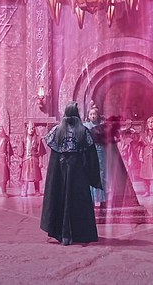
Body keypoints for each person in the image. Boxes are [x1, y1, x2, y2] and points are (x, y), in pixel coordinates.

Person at [40, 102, 101, 246]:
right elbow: (91, 154)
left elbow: (53, 154)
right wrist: (92, 174)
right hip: (78, 171)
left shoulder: (58, 129)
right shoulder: (83, 130)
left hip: (61, 171)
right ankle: (80, 233)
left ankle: (61, 233)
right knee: (78, 200)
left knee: (61, 198)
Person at [85, 103, 106, 205]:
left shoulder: (102, 126)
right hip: (89, 151)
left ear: (98, 115)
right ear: (88, 116)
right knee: (90, 172)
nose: (93, 116)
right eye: (91, 114)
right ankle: (91, 199)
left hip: (100, 150)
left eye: (94, 114)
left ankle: (101, 198)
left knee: (101, 173)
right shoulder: (85, 126)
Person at [19, 122, 46, 197]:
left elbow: (40, 151)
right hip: (26, 159)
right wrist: (20, 161)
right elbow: (21, 150)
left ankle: (37, 191)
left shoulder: (38, 138)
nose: (31, 130)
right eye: (30, 128)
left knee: (36, 176)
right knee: (25, 176)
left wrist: (41, 161)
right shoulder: (23, 138)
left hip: (34, 159)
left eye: (33, 128)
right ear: (27, 129)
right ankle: (24, 191)